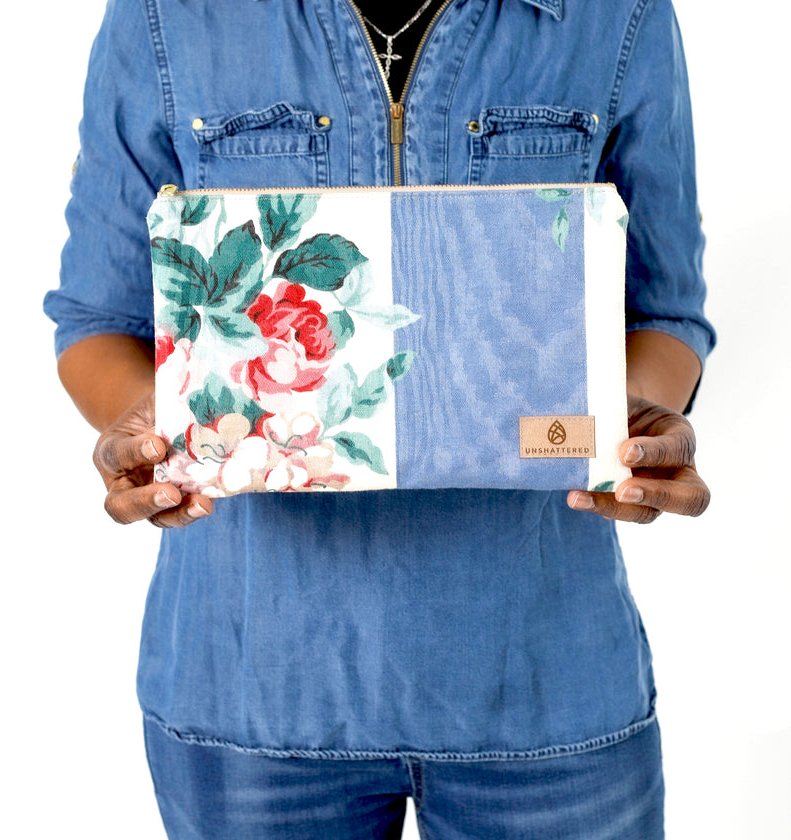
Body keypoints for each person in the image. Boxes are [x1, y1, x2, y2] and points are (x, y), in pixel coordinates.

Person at [45, 0, 714, 837]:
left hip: (547, 685)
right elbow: (96, 321)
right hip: (252, 692)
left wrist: (631, 435)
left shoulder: (617, 14)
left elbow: (666, 311)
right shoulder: (165, 15)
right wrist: (142, 436)